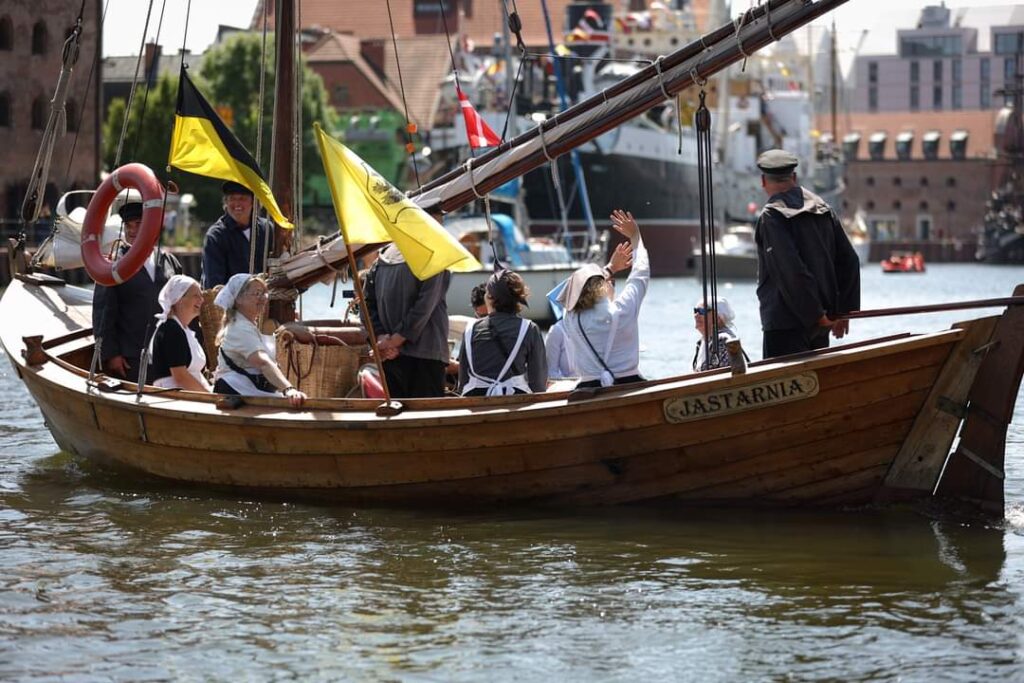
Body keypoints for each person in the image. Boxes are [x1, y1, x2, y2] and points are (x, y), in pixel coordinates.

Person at [754, 149, 861, 359]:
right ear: (794, 177)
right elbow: (849, 261)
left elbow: (791, 272)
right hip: (821, 324)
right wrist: (843, 312)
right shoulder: (823, 208)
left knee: (786, 389)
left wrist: (816, 315)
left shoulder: (772, 216)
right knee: (818, 387)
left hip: (785, 323)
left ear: (763, 181)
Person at [92, 197, 183, 383]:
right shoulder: (114, 266)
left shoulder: (169, 261)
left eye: (138, 224)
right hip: (132, 356)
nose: (132, 231)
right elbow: (103, 313)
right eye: (128, 226)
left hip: (169, 353)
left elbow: (185, 305)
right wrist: (111, 355)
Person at [559, 209, 647, 388]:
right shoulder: (624, 309)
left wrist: (609, 269)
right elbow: (641, 273)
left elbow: (569, 293)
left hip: (587, 389)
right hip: (629, 386)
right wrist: (636, 237)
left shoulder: (570, 318)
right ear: (604, 285)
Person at [362, 244, 451, 398]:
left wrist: (382, 337)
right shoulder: (434, 256)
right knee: (426, 417)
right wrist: (395, 340)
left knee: (397, 416)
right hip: (425, 355)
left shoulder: (382, 259)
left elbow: (365, 304)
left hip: (390, 356)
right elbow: (425, 306)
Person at [211, 273, 306, 407]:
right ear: (238, 299)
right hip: (236, 393)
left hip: (248, 390)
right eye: (257, 293)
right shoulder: (240, 328)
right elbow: (262, 363)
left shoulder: (245, 324)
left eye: (264, 293)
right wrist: (288, 389)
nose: (263, 298)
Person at [458, 270, 547, 396]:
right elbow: (538, 382)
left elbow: (463, 381)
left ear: (489, 298)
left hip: (476, 399)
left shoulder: (470, 329)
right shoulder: (529, 328)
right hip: (514, 398)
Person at [201, 181, 274, 289]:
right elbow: (214, 284)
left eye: (242, 199)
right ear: (226, 202)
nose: (237, 203)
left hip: (265, 300)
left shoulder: (267, 229)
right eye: (232, 199)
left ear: (253, 202)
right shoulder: (216, 236)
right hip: (230, 304)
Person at [148, 275, 212, 392]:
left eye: (201, 296)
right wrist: (210, 397)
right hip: (174, 397)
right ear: (180, 299)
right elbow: (180, 377)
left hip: (189, 394)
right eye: (196, 296)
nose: (201, 300)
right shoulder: (170, 329)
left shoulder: (183, 329)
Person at [692, 297, 741, 372]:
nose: (696, 315)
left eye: (702, 311)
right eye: (695, 311)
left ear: (718, 318)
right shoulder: (702, 342)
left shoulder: (723, 341)